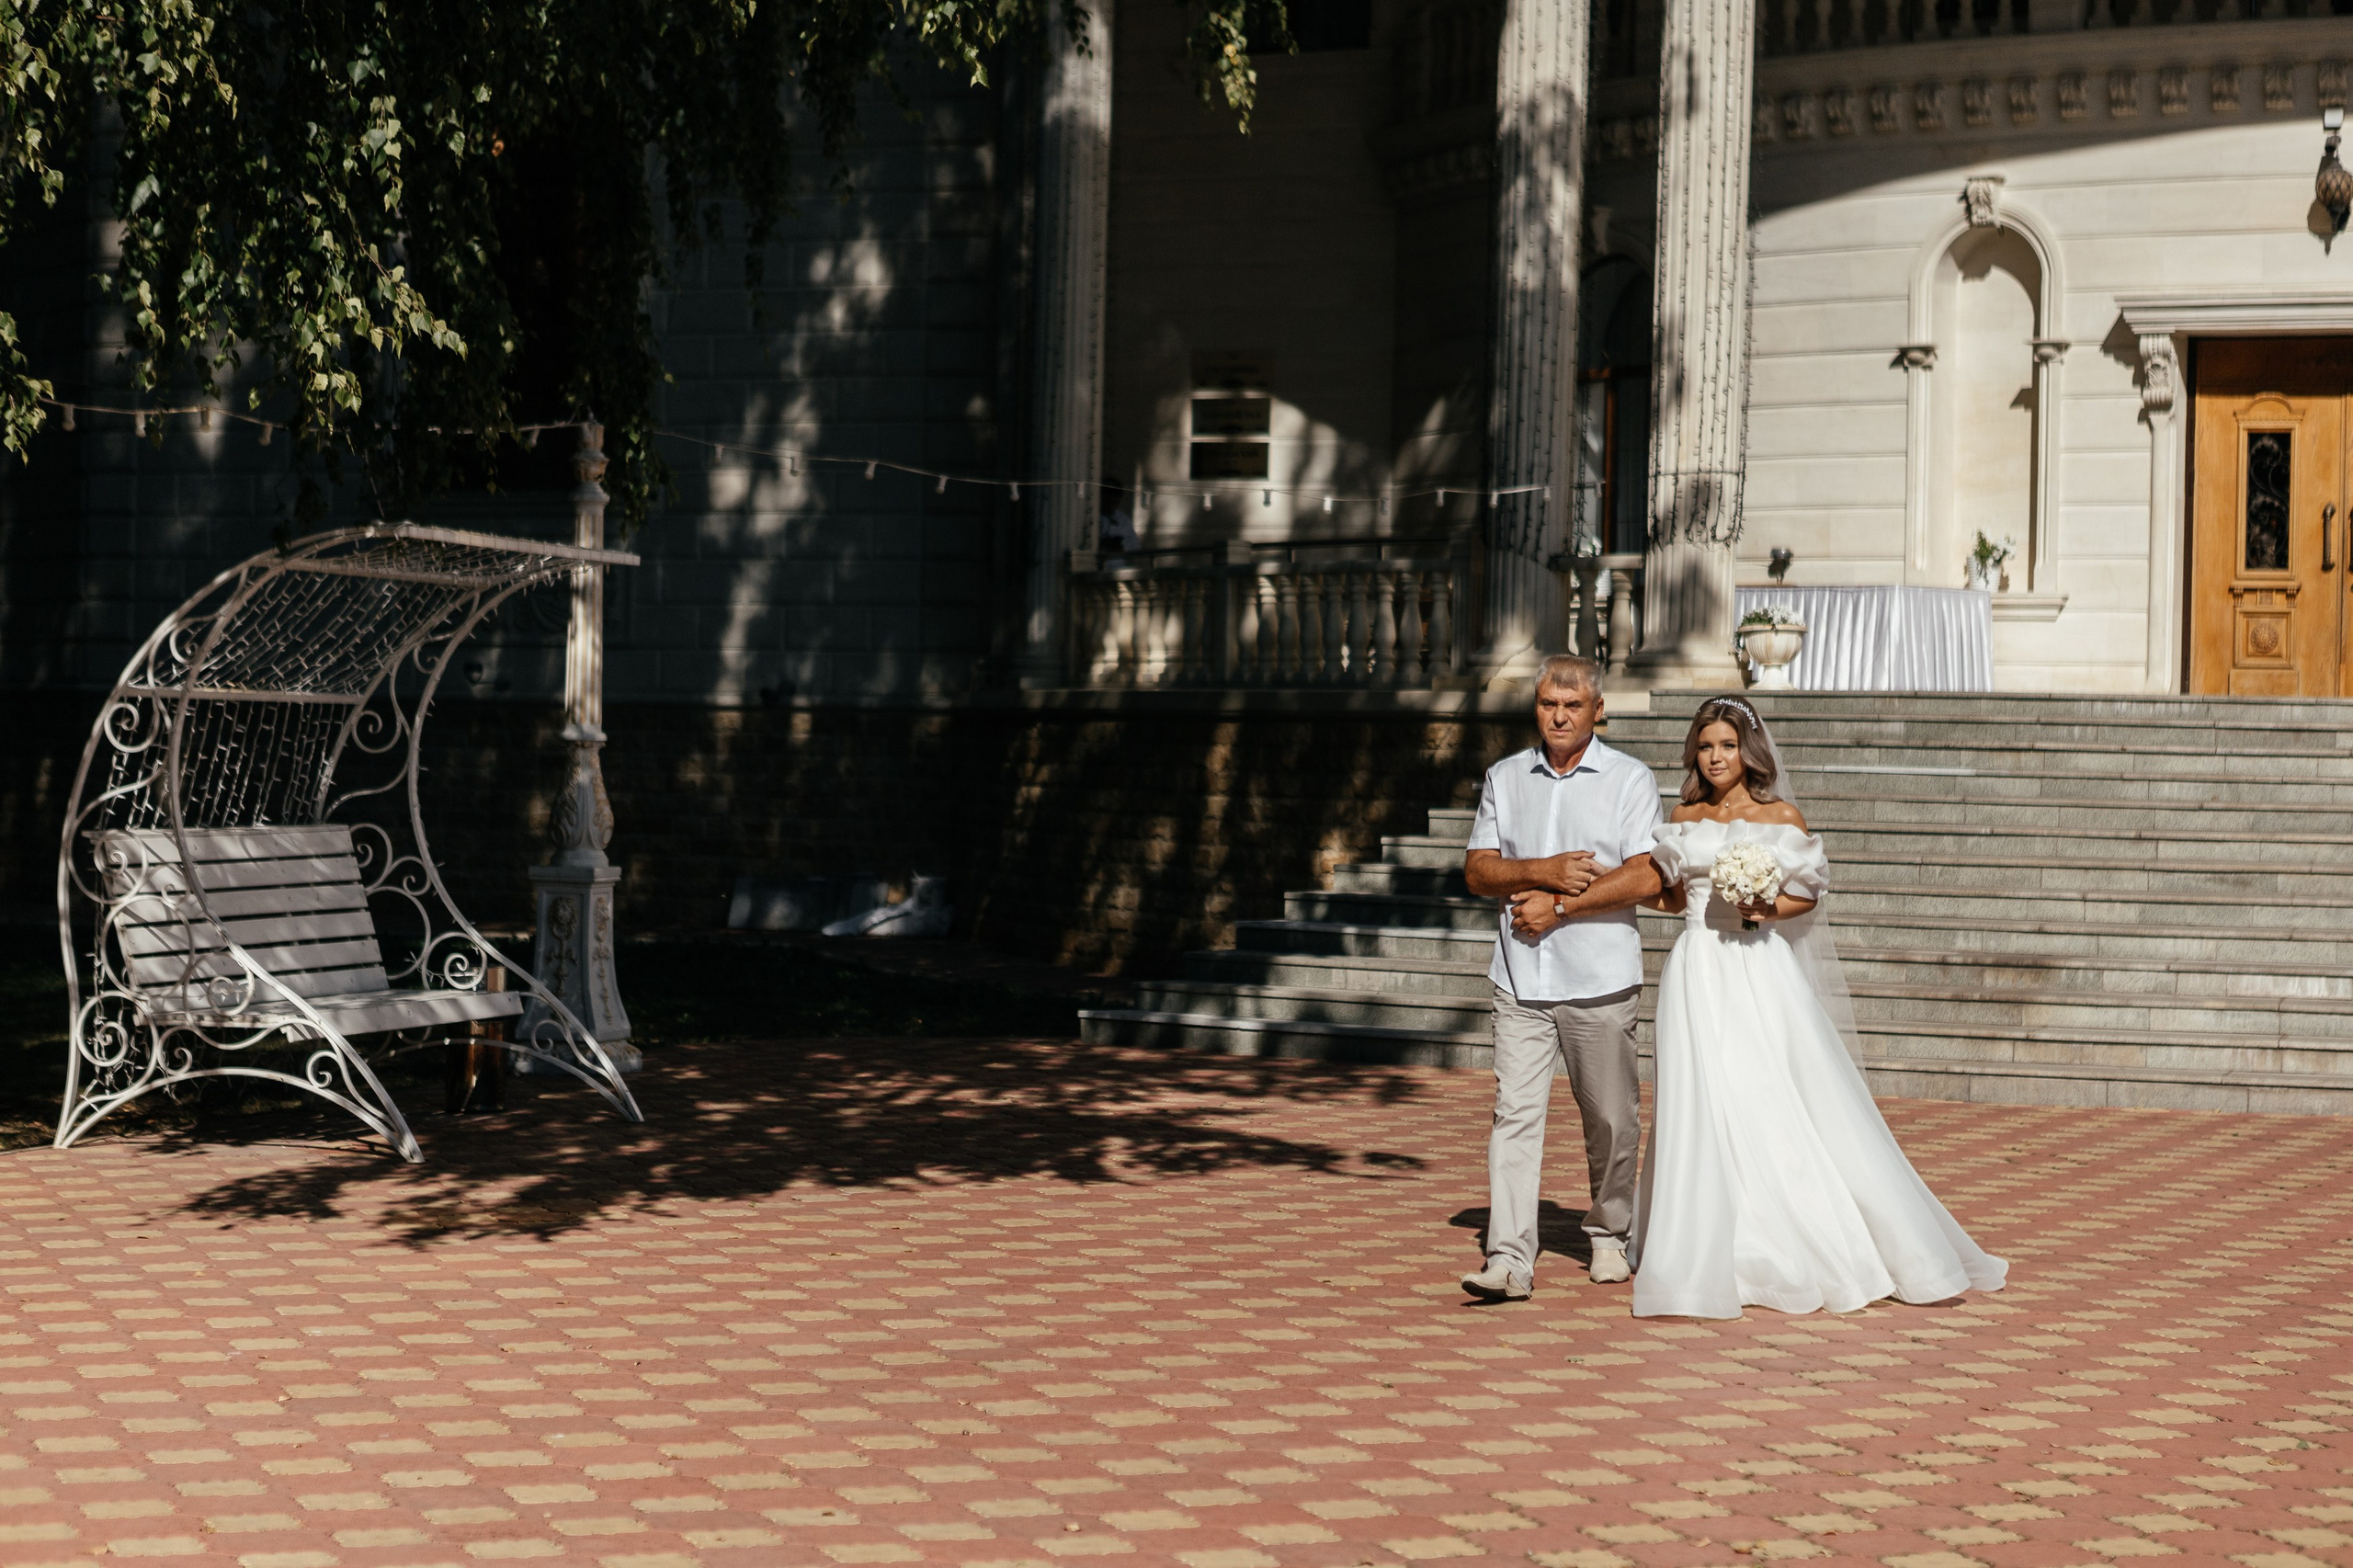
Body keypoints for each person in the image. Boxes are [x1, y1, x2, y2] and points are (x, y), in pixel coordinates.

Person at [1605, 694, 2006, 1318]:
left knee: (1766, 1092)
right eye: (1706, 746)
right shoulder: (1682, 815)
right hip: (1695, 969)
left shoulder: (1781, 816)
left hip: (1757, 966)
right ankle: (1702, 1239)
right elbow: (1672, 891)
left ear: (1749, 751)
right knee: (1700, 1097)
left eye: (1728, 746)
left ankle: (1790, 1237)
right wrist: (1606, 898)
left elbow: (1808, 898)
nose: (1716, 757)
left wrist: (1764, 908)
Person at [1458, 654, 1665, 1300]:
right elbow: (1478, 870)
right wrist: (1543, 870)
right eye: (1549, 704)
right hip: (1519, 979)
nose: (1560, 716)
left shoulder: (1629, 779)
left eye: (1573, 706)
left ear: (1597, 711)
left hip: (1598, 978)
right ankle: (1509, 1258)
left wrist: (1566, 905)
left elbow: (1648, 875)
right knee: (1513, 1116)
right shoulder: (1505, 776)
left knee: (1610, 1118)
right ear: (1537, 708)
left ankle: (1609, 1232)